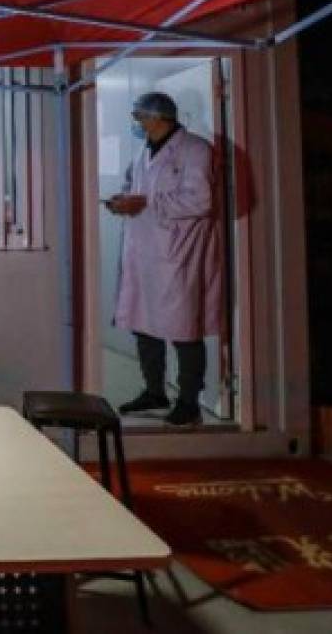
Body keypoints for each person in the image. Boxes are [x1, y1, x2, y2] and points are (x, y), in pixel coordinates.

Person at [107, 92, 223, 426]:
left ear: (158, 118)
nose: (137, 124)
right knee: (144, 324)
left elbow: (201, 200)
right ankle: (154, 390)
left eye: (140, 117)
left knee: (184, 328)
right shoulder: (145, 151)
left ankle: (189, 402)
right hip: (144, 249)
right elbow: (134, 184)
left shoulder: (195, 150)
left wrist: (146, 204)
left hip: (178, 253)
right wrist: (122, 200)